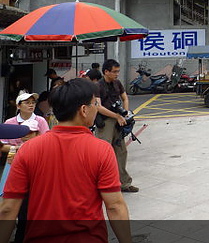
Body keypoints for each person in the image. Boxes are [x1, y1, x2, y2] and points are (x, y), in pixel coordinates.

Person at [0, 78, 131, 243]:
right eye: (95, 104)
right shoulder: (101, 150)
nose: (97, 109)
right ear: (84, 110)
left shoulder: (27, 150)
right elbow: (115, 206)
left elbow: (8, 209)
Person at [1, 91, 50, 243]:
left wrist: (29, 149)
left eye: (33, 102)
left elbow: (46, 143)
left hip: (35, 167)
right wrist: (17, 149)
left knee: (28, 204)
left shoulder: (40, 121)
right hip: (12, 164)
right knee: (8, 199)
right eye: (26, 102)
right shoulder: (9, 123)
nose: (31, 105)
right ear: (18, 106)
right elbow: (2, 146)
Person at [95, 59, 138, 193]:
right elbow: (98, 106)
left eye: (118, 71)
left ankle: (124, 183)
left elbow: (125, 98)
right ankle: (102, 183)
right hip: (106, 121)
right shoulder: (98, 86)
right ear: (106, 72)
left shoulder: (117, 83)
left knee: (121, 152)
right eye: (114, 72)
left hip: (118, 121)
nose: (117, 74)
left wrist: (125, 114)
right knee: (104, 153)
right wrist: (116, 116)